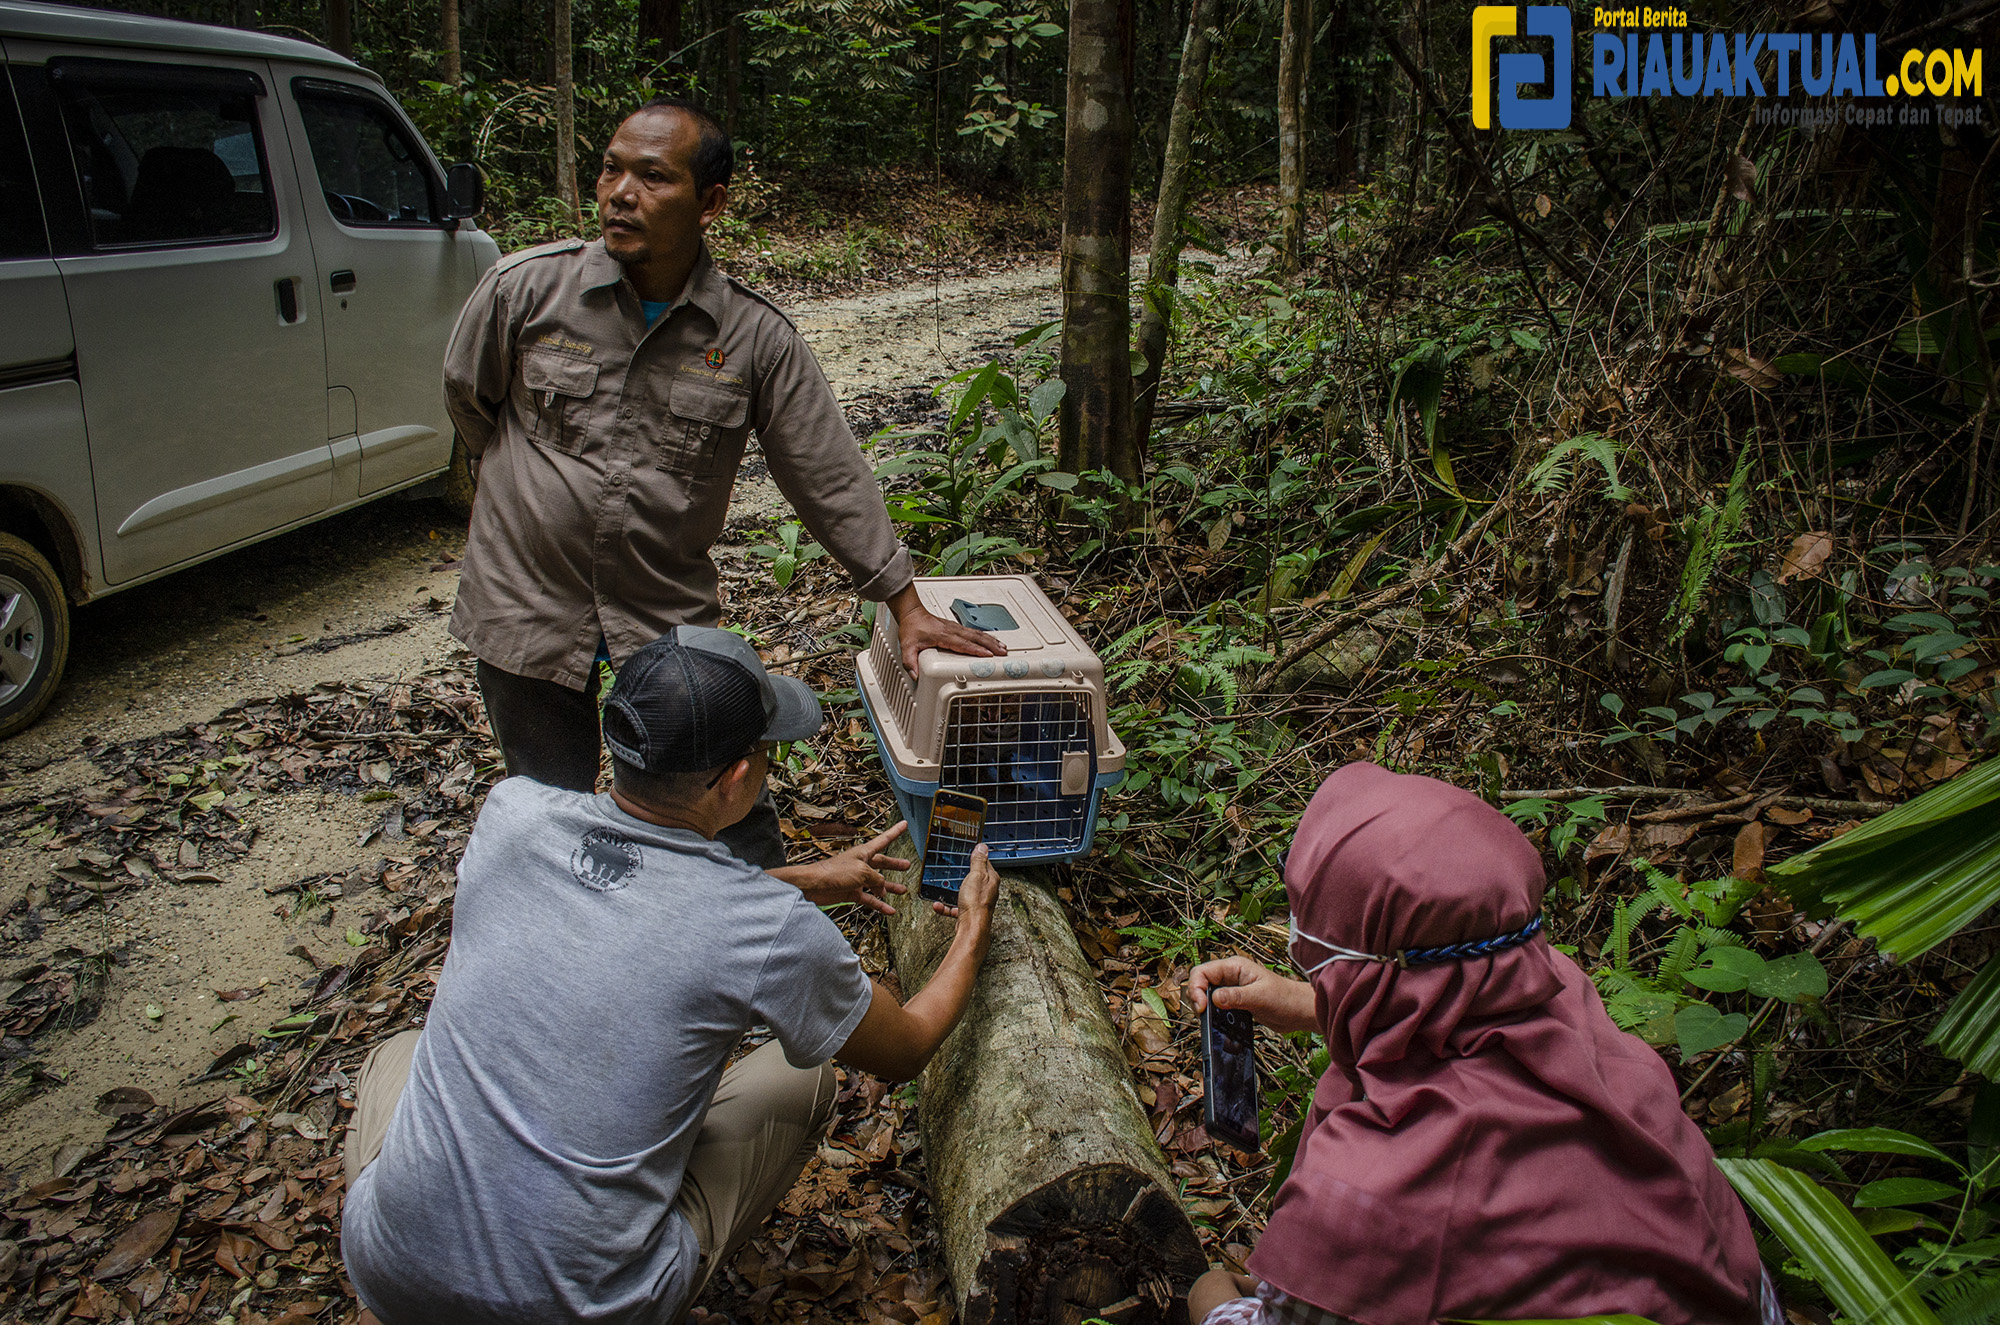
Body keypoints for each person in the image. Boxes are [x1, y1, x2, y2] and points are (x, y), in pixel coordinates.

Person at [339, 625, 999, 1324]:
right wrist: (972, 928)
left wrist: (804, 878)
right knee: (807, 1077)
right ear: (738, 776)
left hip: (393, 1272)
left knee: (395, 1053)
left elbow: (637, 898)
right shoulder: (765, 926)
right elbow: (905, 1046)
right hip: (582, 1307)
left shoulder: (513, 815)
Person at [441, 95, 1001, 869]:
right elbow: (471, 402)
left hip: (662, 608)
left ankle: (755, 946)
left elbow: (825, 470)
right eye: (610, 169)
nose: (619, 192)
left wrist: (903, 601)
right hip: (524, 599)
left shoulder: (752, 338)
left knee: (726, 815)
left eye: (652, 176)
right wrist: (524, 504)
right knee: (548, 815)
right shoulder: (524, 290)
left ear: (711, 203)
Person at [1185, 763, 1781, 1325]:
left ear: (1374, 966)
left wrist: (1208, 1296)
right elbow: (1448, 1004)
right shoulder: (1557, 994)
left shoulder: (1373, 1190)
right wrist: (1313, 1004)